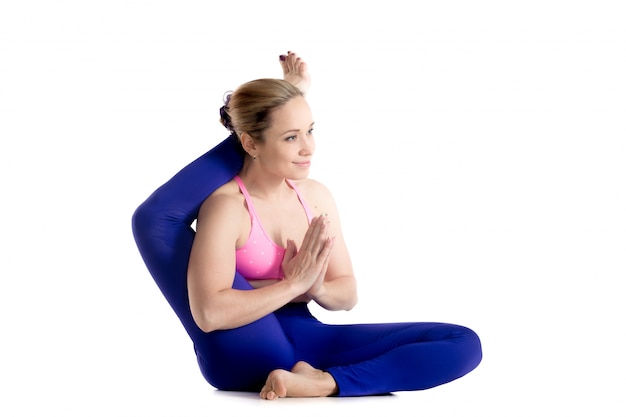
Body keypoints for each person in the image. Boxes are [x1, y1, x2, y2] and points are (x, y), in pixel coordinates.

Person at [139, 51, 482, 400]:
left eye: (310, 131)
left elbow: (347, 294)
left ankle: (324, 383)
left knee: (463, 343)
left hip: (309, 339)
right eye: (291, 137)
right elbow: (211, 314)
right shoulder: (227, 206)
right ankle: (323, 377)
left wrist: (316, 288)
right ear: (249, 143)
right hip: (242, 345)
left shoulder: (315, 197)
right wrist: (292, 285)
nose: (308, 148)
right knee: (159, 229)